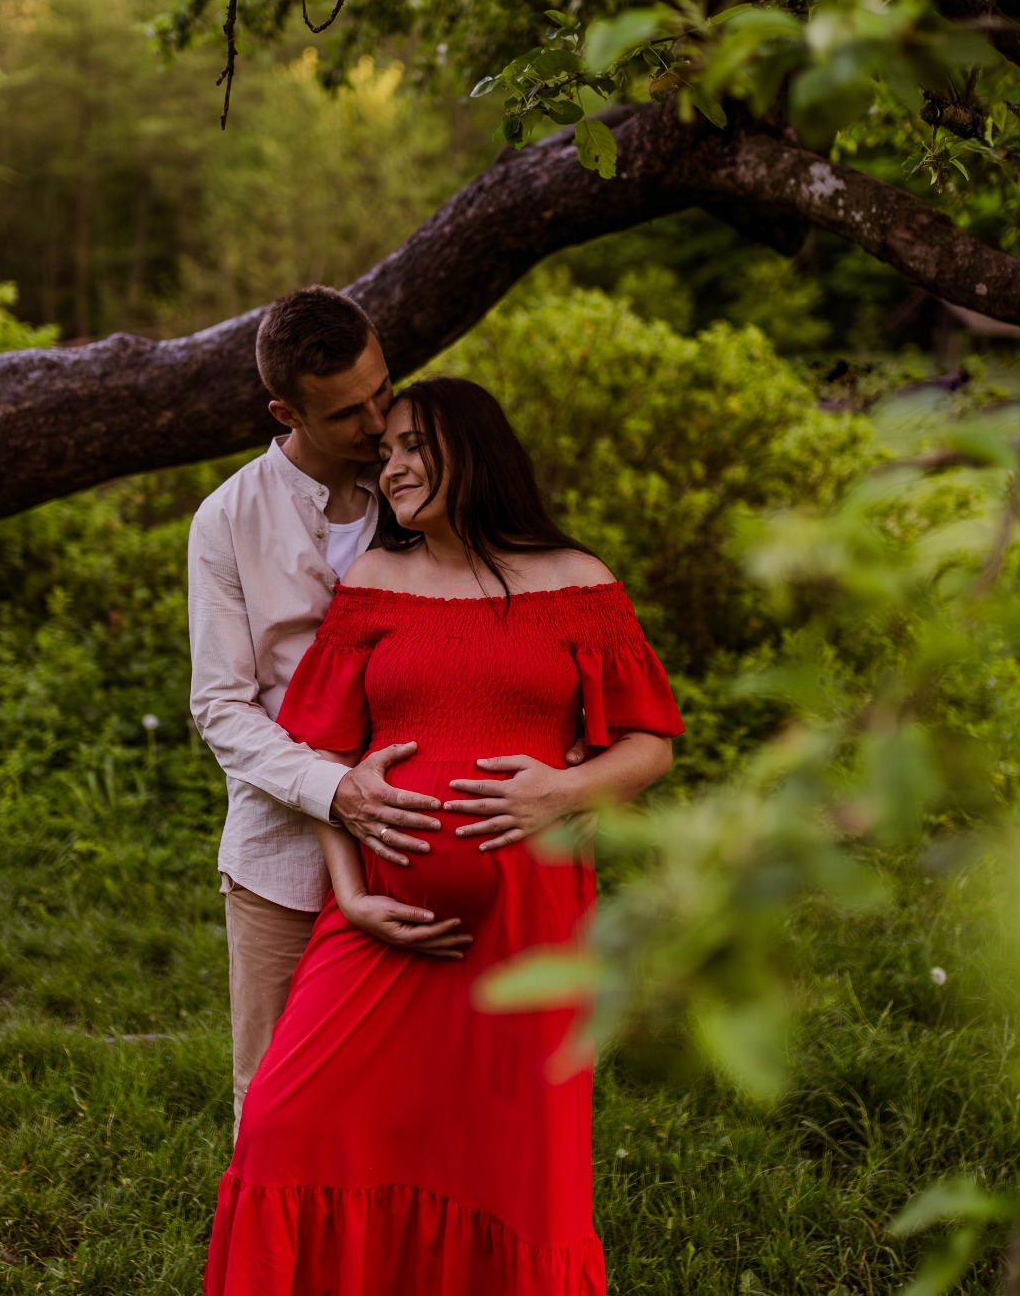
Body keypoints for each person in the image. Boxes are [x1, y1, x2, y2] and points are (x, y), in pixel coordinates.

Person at [203, 376, 684, 1295]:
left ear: (476, 448)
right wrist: (351, 894)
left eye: (414, 446)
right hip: (378, 925)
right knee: (281, 1124)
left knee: (505, 1169)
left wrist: (562, 790)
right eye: (385, 453)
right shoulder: (374, 583)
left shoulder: (576, 581)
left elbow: (649, 744)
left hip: (527, 928)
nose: (392, 467)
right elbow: (327, 752)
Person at [191, 288, 591, 1133]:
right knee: (275, 1105)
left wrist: (567, 757)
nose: (377, 424)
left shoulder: (421, 485)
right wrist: (338, 791)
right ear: (286, 412)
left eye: (383, 391)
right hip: (283, 854)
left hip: (435, 854)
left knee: (418, 1105)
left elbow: (510, 617)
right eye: (347, 413)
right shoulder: (228, 520)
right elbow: (221, 706)